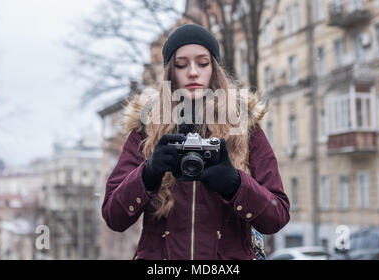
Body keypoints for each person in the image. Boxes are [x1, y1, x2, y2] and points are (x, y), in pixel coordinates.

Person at [102, 23, 290, 260]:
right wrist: (147, 173)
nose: (192, 72)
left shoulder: (244, 126)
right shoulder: (146, 129)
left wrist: (235, 184)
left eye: (202, 63)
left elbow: (277, 216)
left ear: (214, 69)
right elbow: (113, 216)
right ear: (171, 72)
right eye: (182, 64)